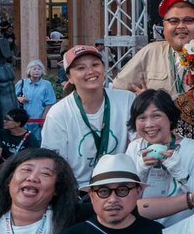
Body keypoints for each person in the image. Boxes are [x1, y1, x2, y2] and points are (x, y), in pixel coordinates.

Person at [39, 45, 135, 187]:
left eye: (95, 65)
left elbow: (138, 143)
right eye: (80, 68)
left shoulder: (127, 100)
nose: (90, 71)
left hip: (120, 186)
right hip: (79, 190)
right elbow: (54, 162)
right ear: (69, 77)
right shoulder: (59, 113)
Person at [125, 89, 194, 220]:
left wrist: (181, 173)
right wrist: (140, 173)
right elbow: (124, 202)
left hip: (181, 230)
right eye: (142, 118)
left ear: (170, 118)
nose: (149, 124)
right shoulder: (135, 148)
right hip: (141, 229)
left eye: (156, 116)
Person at [115, 2, 194, 96]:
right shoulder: (151, 52)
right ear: (164, 27)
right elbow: (118, 90)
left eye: (188, 20)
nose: (181, 26)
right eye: (173, 21)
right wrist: (143, 101)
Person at [0, 107, 39, 172]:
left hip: (20, 169)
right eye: (5, 118)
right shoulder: (1, 133)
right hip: (3, 168)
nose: (4, 121)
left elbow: (33, 159)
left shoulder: (30, 138)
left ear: (17, 123)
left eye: (7, 119)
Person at [15, 60, 58, 126]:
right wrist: (18, 98)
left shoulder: (46, 84)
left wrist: (43, 119)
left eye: (39, 69)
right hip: (23, 120)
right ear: (29, 70)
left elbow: (50, 103)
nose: (37, 71)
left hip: (39, 120)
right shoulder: (22, 83)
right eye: (34, 69)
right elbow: (11, 97)